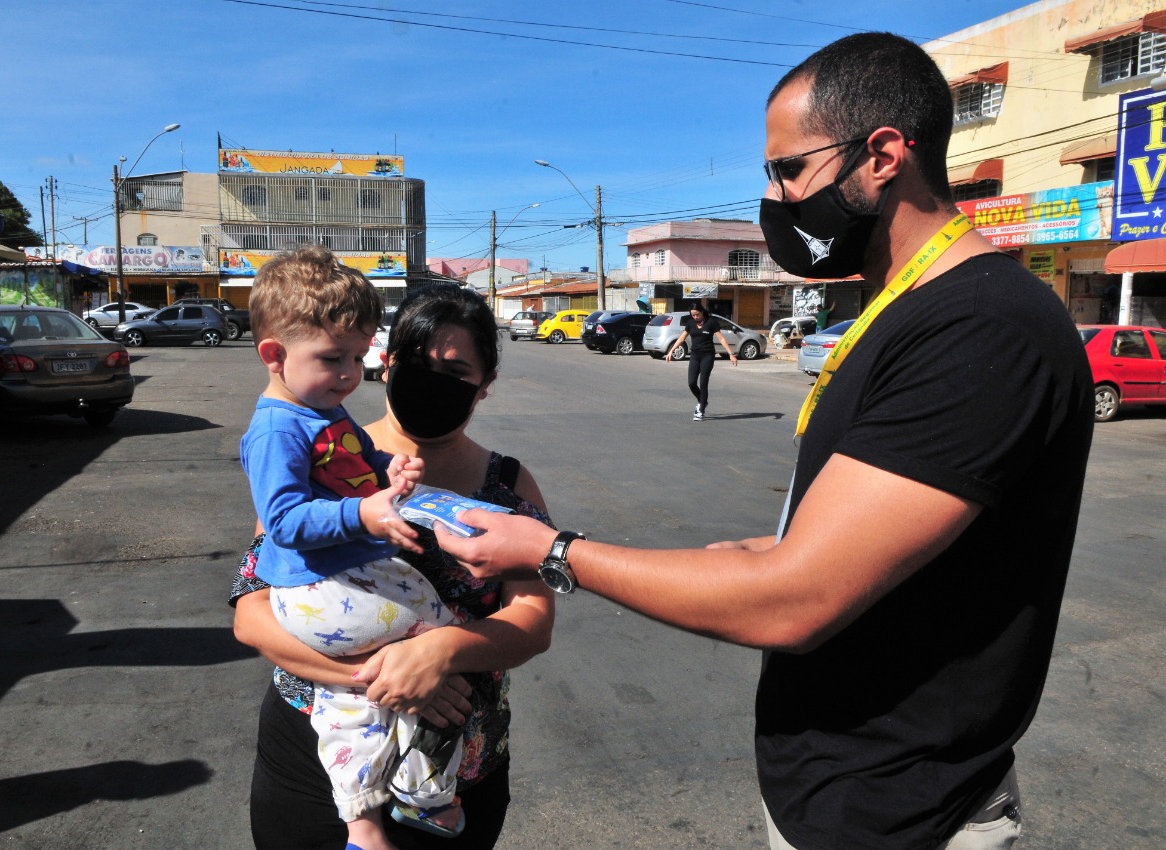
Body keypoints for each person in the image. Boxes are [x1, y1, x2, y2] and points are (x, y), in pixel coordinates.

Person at [436, 32, 1093, 850]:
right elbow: (845, 544)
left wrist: (552, 551)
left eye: (789, 169)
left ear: (883, 154)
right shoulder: (900, 310)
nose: (776, 198)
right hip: (836, 797)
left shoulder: (982, 328)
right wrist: (755, 554)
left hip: (903, 816)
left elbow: (796, 600)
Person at [232, 281, 555, 850]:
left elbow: (532, 621)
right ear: (388, 362)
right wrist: (395, 679)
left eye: (456, 372)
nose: (433, 381)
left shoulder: (506, 485)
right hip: (313, 762)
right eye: (414, 362)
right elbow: (253, 615)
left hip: (451, 772)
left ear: (485, 388)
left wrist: (440, 653)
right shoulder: (324, 457)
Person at [240, 247, 465, 849]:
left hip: (352, 575)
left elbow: (362, 459)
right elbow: (282, 520)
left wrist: (394, 467)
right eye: (332, 358)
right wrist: (366, 510)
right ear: (273, 356)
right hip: (318, 591)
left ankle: (410, 797)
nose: (348, 373)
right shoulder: (276, 429)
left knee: (401, 668)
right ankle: (369, 814)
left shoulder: (323, 409)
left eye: (358, 357)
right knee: (374, 686)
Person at [663, 303, 738, 420]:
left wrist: (731, 354)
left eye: (697, 314)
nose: (695, 317)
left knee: (703, 383)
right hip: (695, 355)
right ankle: (702, 400)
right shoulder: (690, 323)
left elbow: (721, 338)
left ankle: (701, 410)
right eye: (693, 315)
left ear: (702, 312)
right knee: (691, 383)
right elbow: (682, 338)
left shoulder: (711, 322)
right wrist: (671, 351)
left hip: (707, 355)